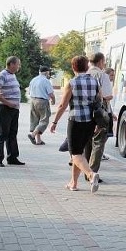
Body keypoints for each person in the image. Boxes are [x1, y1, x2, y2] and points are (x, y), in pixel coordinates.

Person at [50, 55, 100, 193]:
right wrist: (98, 122)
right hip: (90, 121)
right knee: (79, 153)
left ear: (73, 67)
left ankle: (91, 174)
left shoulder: (72, 83)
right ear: (87, 67)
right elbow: (99, 102)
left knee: (75, 154)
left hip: (76, 121)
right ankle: (73, 183)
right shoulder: (95, 82)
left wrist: (54, 122)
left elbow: (62, 105)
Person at [84, 52, 112, 181]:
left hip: (84, 112)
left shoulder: (84, 74)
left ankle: (86, 171)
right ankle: (92, 173)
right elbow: (106, 95)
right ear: (100, 61)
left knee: (88, 142)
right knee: (99, 143)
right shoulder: (103, 75)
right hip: (99, 113)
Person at [0, 56, 25, 167]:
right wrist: (7, 103)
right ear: (11, 64)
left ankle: (12, 157)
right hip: (5, 108)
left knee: (12, 133)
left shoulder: (12, 75)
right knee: (2, 134)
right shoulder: (2, 75)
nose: (19, 66)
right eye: (18, 64)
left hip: (14, 109)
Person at [27, 66, 56, 145]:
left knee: (35, 120)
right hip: (42, 101)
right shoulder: (46, 81)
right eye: (48, 72)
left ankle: (38, 140)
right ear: (46, 72)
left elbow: (29, 92)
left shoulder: (33, 80)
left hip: (32, 101)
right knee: (44, 121)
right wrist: (53, 101)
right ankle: (33, 135)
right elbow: (51, 94)